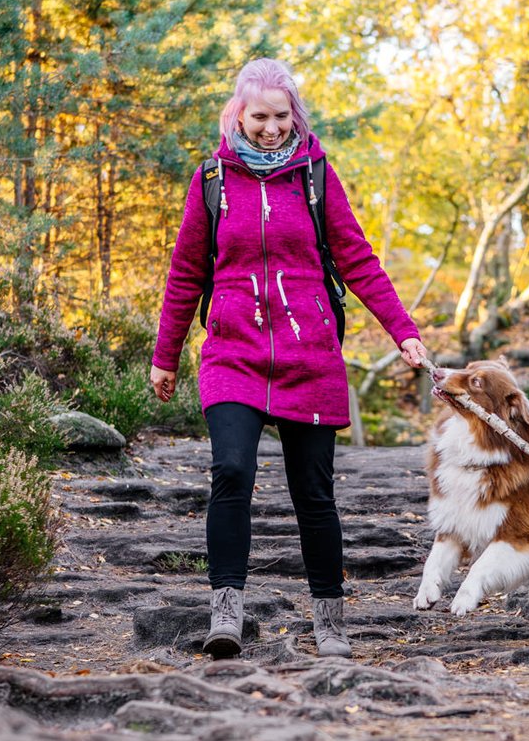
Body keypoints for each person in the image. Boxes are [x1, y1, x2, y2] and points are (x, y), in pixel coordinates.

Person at [150, 58, 427, 660]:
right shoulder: (212, 181)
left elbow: (358, 261)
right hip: (233, 350)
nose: (272, 129)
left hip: (310, 353)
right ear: (238, 115)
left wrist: (402, 331)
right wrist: (165, 354)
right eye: (260, 118)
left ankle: (329, 621)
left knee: (314, 493)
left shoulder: (316, 176)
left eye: (281, 117)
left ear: (294, 116)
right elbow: (186, 272)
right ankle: (226, 611)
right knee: (231, 472)